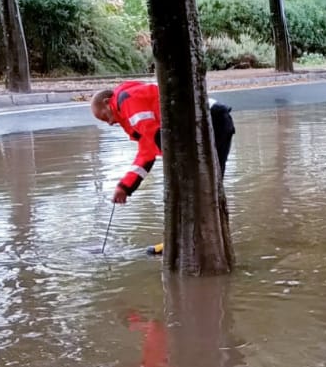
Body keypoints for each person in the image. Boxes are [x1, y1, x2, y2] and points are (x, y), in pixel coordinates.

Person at [91, 80, 236, 254]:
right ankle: (201, 240)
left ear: (108, 102)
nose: (109, 122)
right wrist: (125, 187)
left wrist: (178, 171)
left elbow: (158, 137)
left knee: (201, 188)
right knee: (208, 187)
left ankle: (193, 243)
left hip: (210, 120)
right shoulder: (131, 106)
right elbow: (148, 152)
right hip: (214, 119)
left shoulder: (125, 100)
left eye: (105, 116)